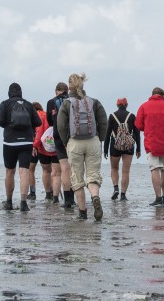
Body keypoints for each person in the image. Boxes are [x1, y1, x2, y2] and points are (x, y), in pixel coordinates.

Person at [56, 73, 108, 221]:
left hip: (74, 142)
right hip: (93, 141)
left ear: (69, 87)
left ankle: (82, 212)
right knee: (93, 176)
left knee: (77, 178)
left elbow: (60, 125)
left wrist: (66, 142)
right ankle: (95, 197)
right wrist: (100, 139)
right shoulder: (94, 101)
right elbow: (103, 122)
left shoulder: (66, 103)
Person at [0, 82, 42, 212]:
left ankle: (9, 202)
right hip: (26, 142)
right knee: (24, 172)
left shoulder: (5, 104)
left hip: (10, 142)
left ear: (9, 92)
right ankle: (23, 203)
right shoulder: (27, 104)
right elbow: (38, 122)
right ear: (21, 92)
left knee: (10, 171)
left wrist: (9, 124)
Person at [135, 87, 164, 207]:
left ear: (152, 94)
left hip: (151, 143)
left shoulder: (144, 106)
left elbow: (138, 125)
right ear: (163, 95)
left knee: (154, 169)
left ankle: (158, 197)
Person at [103, 97, 141, 201]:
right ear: (126, 105)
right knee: (126, 171)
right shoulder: (132, 116)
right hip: (129, 147)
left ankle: (116, 188)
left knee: (114, 168)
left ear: (117, 105)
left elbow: (107, 134)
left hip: (115, 145)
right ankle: (123, 195)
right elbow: (137, 133)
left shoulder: (112, 116)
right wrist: (139, 149)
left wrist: (105, 149)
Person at [46, 82, 74, 208]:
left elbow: (49, 121)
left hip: (58, 137)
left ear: (56, 91)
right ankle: (74, 196)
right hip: (73, 137)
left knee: (64, 169)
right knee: (73, 168)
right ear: (67, 90)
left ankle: (67, 199)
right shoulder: (72, 100)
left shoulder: (51, 102)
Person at [32, 102, 60, 201]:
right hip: (56, 148)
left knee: (46, 171)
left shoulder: (38, 116)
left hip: (43, 149)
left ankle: (48, 194)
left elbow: (39, 134)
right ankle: (56, 197)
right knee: (57, 173)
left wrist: (35, 145)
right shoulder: (49, 114)